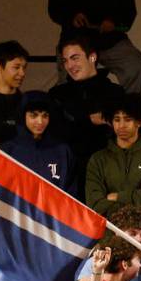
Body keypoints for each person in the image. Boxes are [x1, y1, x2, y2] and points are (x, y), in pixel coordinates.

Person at [48, 0, 141, 94]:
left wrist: (113, 23)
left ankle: (126, 111)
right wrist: (72, 17)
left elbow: (129, 14)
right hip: (74, 39)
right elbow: (54, 8)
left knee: (137, 67)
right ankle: (69, 111)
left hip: (111, 41)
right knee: (68, 83)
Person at [85, 93, 141, 248]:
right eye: (117, 119)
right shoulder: (98, 159)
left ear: (139, 121)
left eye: (127, 119)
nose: (121, 125)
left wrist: (117, 196)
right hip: (110, 243)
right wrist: (137, 201)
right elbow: (95, 205)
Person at [48, 30, 124, 200]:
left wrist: (76, 121)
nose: (70, 65)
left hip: (105, 179)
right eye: (65, 60)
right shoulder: (57, 95)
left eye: (75, 58)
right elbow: (55, 133)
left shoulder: (115, 93)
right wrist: (89, 120)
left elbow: (119, 134)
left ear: (92, 57)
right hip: (67, 178)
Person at [2, 91, 77, 197]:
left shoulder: (63, 151)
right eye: (34, 115)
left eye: (45, 115)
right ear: (23, 116)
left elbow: (71, 194)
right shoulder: (8, 151)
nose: (40, 121)